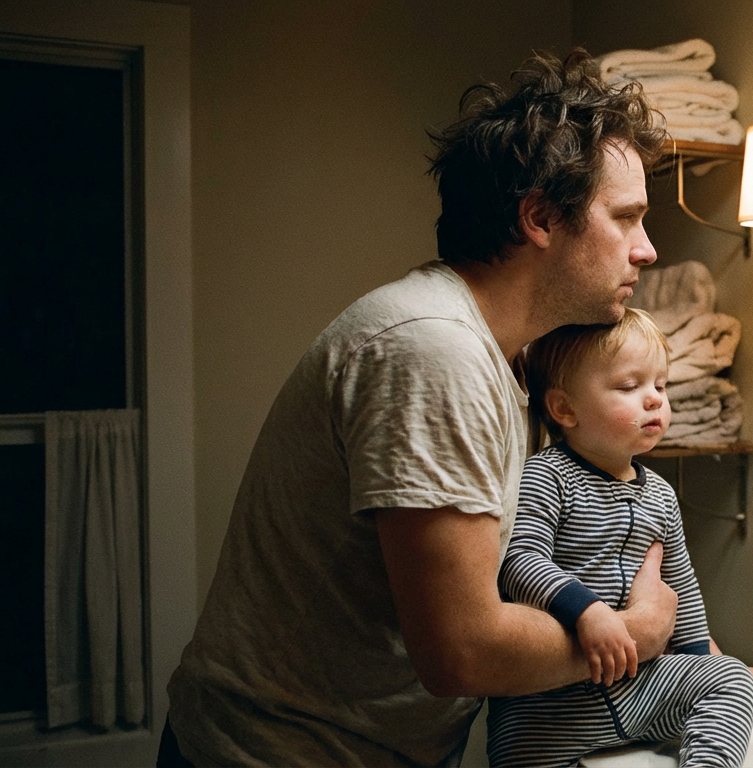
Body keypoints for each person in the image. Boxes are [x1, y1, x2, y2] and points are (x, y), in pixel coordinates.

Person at [161, 50, 685, 767]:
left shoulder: (491, 353)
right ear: (538, 217)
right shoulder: (434, 353)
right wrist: (639, 634)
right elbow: (462, 652)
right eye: (626, 218)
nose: (647, 250)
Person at [488, 308, 753, 767]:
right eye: (629, 387)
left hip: (641, 689)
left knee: (732, 677)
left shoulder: (660, 494)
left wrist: (709, 666)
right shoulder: (546, 477)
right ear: (564, 409)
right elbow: (518, 560)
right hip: (550, 709)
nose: (654, 400)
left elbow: (682, 593)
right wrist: (588, 612)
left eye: (660, 385)